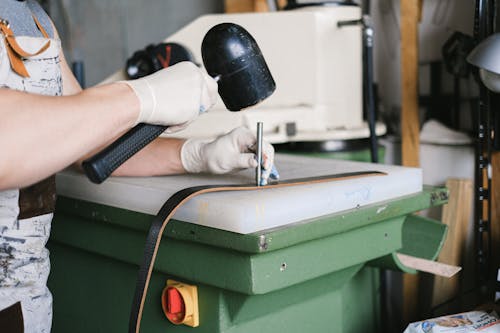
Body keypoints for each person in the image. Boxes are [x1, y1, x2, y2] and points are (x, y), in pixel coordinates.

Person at [0, 1, 276, 332]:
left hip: (25, 300)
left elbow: (83, 141)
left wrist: (197, 154)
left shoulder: (33, 18)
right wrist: (140, 97)